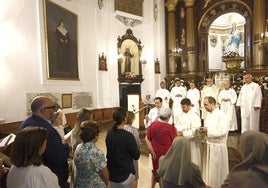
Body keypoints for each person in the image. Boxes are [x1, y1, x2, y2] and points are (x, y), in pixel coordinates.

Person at [19, 96, 69, 187]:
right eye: (52, 108)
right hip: (50, 175)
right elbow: (58, 157)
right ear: (43, 111)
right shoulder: (45, 129)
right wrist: (66, 146)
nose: (54, 110)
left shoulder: (27, 122)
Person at [105, 108, 140, 188]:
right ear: (124, 119)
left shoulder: (109, 132)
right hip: (125, 173)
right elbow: (136, 155)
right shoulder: (128, 136)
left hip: (112, 172)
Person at [199, 96, 229, 188]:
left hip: (218, 147)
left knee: (216, 170)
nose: (204, 107)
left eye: (206, 105)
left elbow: (222, 131)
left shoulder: (222, 115)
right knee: (209, 171)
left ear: (212, 104)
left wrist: (207, 130)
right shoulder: (209, 114)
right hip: (209, 145)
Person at [145, 108, 177, 188]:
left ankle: (152, 187)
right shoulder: (171, 128)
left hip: (155, 153)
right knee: (166, 173)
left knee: (155, 171)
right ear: (169, 117)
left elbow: (147, 139)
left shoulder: (153, 124)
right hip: (167, 154)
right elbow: (175, 142)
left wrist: (152, 152)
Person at [74, 121, 109, 187]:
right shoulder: (97, 153)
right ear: (95, 136)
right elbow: (105, 175)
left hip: (80, 183)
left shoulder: (78, 147)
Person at [175, 98, 202, 169]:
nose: (182, 109)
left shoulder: (194, 115)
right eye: (181, 107)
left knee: (193, 161)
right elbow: (177, 124)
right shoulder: (181, 115)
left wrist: (183, 133)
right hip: (183, 141)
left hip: (192, 142)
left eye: (184, 107)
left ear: (189, 106)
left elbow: (195, 130)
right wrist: (178, 130)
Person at [124, 111, 140, 188]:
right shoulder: (134, 130)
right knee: (135, 176)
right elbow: (137, 145)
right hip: (132, 156)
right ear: (132, 119)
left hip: (122, 156)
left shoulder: (120, 128)